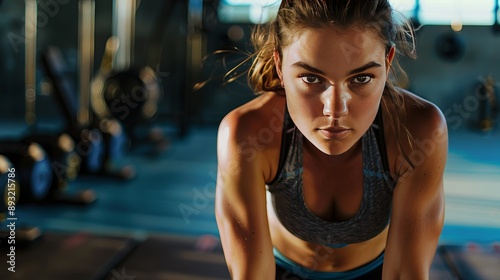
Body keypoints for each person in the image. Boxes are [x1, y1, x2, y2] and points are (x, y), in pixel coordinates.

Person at [214, 0, 448, 279]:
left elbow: (406, 274)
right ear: (279, 65)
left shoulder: (418, 131)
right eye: (311, 78)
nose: (335, 109)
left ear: (387, 63)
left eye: (361, 78)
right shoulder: (248, 134)